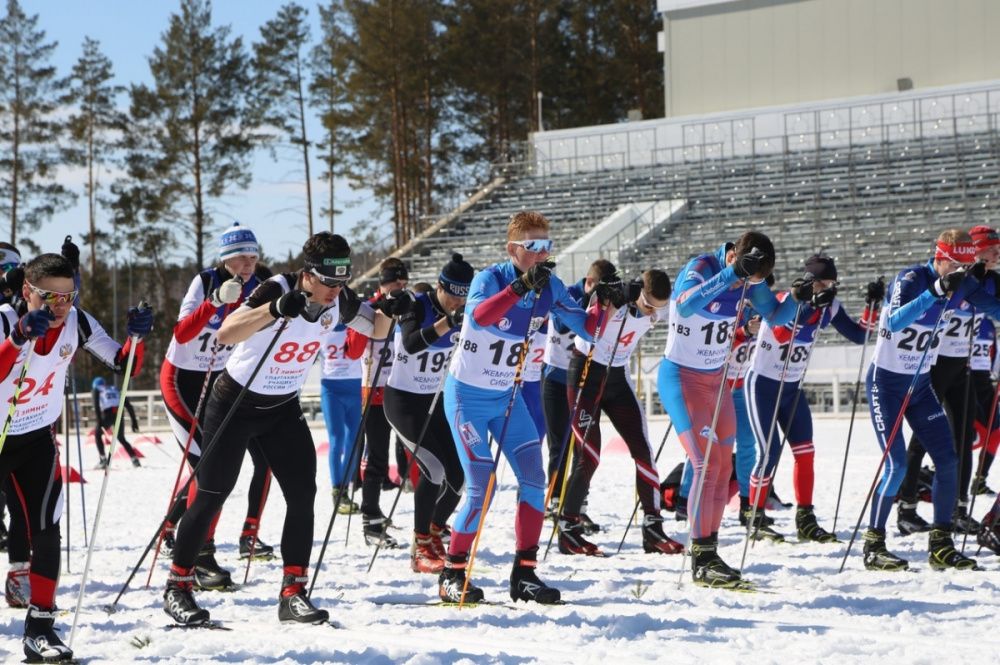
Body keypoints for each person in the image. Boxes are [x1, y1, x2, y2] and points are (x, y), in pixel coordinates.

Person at [162, 231, 400, 626]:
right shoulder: (278, 286)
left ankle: (293, 591)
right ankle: (178, 585)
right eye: (328, 281)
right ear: (308, 274)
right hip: (235, 402)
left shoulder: (338, 297)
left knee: (303, 492)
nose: (334, 291)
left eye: (342, 282)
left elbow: (376, 329)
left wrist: (393, 308)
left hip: (281, 406)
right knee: (212, 492)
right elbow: (226, 333)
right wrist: (273, 309)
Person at [439, 211, 599, 605]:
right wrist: (518, 288)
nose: (543, 253)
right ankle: (452, 572)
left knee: (534, 478)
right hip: (467, 399)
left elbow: (587, 328)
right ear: (513, 249)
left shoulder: (549, 284)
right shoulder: (489, 278)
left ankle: (525, 574)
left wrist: (611, 303)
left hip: (506, 398)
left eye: (548, 245)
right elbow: (478, 316)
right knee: (481, 485)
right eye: (534, 247)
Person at [0, 253, 152, 662]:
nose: (60, 306)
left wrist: (137, 337)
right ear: (27, 291)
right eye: (50, 297)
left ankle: (40, 629)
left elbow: (124, 365)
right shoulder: (1, 319)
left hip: (36, 438)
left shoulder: (78, 321)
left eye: (68, 296)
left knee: (48, 531)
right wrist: (16, 339)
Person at [657, 231, 797, 588]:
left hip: (716, 384)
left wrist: (802, 296)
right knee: (704, 465)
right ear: (734, 254)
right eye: (749, 275)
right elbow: (686, 304)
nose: (751, 285)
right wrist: (731, 274)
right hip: (682, 380)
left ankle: (709, 552)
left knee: (721, 467)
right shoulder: (702, 266)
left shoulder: (750, 277)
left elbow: (777, 315)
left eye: (755, 279)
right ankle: (700, 557)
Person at [862, 228, 1000, 571]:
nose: (963, 272)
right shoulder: (911, 278)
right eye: (957, 265)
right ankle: (874, 544)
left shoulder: (964, 283)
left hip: (921, 387)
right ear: (940, 258)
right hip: (887, 385)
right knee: (896, 464)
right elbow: (894, 322)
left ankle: (940, 543)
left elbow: (995, 308)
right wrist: (936, 292)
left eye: (968, 265)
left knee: (949, 459)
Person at [159, 223, 276, 592]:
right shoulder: (206, 280)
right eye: (241, 257)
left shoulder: (259, 287)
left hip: (219, 382)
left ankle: (175, 527)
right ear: (226, 258)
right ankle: (201, 556)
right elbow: (181, 333)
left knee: (214, 468)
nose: (248, 264)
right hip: (182, 379)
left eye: (253, 257)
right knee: (206, 467)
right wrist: (215, 302)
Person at [743, 255, 877, 543]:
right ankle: (755, 517)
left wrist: (872, 308)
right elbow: (780, 332)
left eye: (832, 284)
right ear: (811, 282)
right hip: (763, 386)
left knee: (805, 452)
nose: (829, 289)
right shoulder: (783, 300)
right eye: (825, 283)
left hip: (791, 388)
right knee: (768, 454)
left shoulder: (829, 307)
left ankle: (805, 517)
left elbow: (859, 335)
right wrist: (807, 310)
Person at [558, 267, 682, 556]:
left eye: (658, 309)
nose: (653, 313)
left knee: (644, 451)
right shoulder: (618, 297)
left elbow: (686, 307)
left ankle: (652, 526)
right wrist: (603, 297)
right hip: (585, 375)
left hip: (616, 378)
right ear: (640, 291)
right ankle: (568, 528)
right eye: (649, 305)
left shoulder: (659, 306)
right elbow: (588, 314)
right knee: (589, 455)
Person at [384, 253, 474, 572]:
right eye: (453, 294)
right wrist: (447, 323)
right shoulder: (417, 304)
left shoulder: (465, 310)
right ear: (439, 286)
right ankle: (420, 546)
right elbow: (409, 344)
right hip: (402, 402)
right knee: (433, 470)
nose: (458, 302)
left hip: (432, 401)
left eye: (465, 295)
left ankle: (435, 532)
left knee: (458, 475)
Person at [346, 257, 408, 544]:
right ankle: (370, 517)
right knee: (378, 458)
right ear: (383, 284)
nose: (400, 287)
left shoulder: (408, 306)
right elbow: (352, 350)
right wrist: (377, 315)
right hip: (375, 390)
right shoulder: (368, 308)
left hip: (404, 388)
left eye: (404, 282)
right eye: (395, 282)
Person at [320, 321, 365, 514]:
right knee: (336, 440)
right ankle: (337, 490)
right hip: (331, 389)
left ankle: (345, 489)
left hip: (354, 388)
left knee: (353, 443)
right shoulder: (322, 327)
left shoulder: (355, 326)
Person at [91, 376, 141, 468]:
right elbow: (129, 405)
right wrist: (134, 422)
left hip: (107, 414)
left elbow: (96, 405)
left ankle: (103, 460)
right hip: (119, 413)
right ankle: (135, 460)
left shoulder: (96, 389)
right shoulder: (114, 389)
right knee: (121, 438)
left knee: (97, 434)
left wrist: (99, 420)